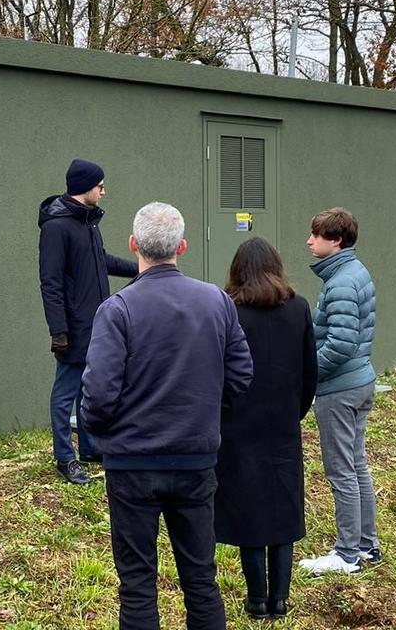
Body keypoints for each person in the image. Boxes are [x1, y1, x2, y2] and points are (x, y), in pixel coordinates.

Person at [81, 202, 253, 630]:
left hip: (132, 464)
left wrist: (105, 435)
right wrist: (205, 416)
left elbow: (98, 395)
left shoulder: (117, 309)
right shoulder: (215, 301)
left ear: (134, 245)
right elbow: (241, 374)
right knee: (200, 577)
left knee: (137, 582)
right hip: (195, 461)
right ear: (182, 246)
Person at [213, 237, 316, 619]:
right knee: (283, 511)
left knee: (248, 511)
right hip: (282, 426)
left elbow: (220, 372)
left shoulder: (229, 311)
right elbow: (310, 373)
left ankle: (256, 600)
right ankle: (281, 600)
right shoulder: (299, 309)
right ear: (276, 266)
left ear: (238, 270)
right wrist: (293, 413)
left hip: (237, 428)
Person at [38, 158, 138, 484]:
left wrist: (140, 267)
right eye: (100, 186)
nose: (104, 191)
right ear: (86, 187)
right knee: (65, 393)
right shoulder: (57, 227)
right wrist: (59, 331)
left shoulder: (88, 223)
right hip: (74, 327)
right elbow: (50, 282)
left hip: (97, 323)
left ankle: (91, 448)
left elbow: (101, 260)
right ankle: (64, 458)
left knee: (89, 387)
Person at [297, 207, 381, 576]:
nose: (309, 241)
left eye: (316, 235)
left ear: (336, 241)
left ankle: (347, 554)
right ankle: (367, 546)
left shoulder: (342, 283)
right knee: (357, 465)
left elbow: (341, 344)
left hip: (341, 389)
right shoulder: (351, 272)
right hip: (359, 382)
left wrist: (307, 372)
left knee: (342, 470)